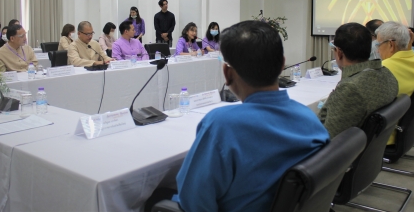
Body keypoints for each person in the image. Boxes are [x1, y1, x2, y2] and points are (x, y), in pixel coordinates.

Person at [158, 20, 329, 212]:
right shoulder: (311, 120)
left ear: (227, 73)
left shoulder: (221, 125)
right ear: (282, 64)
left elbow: (193, 201)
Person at [318, 23, 398, 138]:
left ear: (339, 52)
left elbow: (329, 137)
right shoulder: (387, 74)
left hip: (344, 152)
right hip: (368, 149)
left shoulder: (350, 88)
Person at [375, 21, 414, 144]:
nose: (378, 50)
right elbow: (407, 55)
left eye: (379, 44)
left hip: (384, 135)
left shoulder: (382, 69)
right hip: (404, 128)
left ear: (390, 44)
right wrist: (407, 43)